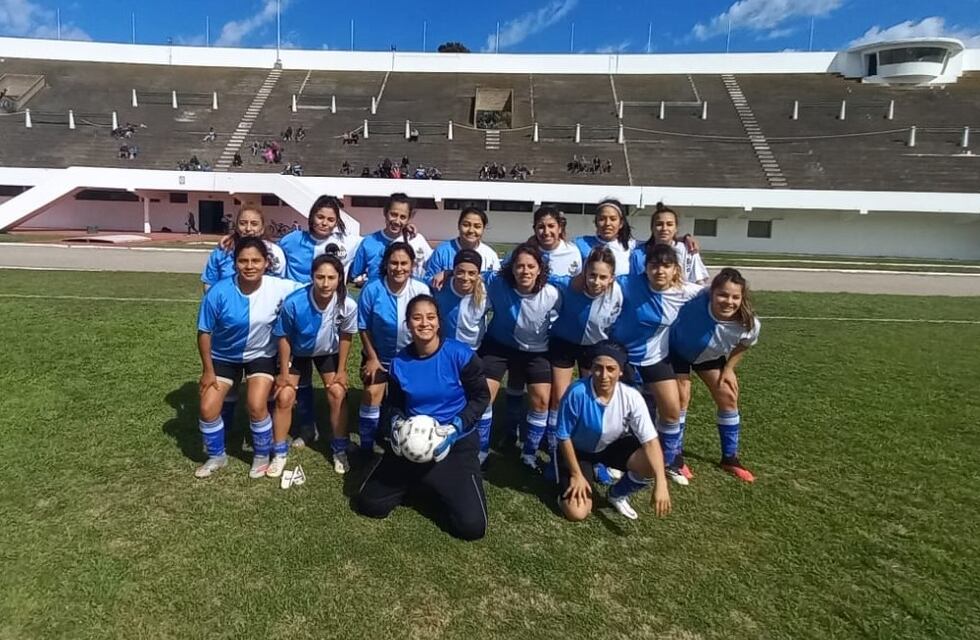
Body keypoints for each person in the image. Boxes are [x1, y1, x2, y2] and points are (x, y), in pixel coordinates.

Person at [354, 294, 490, 541]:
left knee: (472, 527)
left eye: (430, 317)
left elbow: (480, 398)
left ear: (438, 322)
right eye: (417, 318)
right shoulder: (399, 363)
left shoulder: (461, 355)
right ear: (408, 324)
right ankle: (420, 478)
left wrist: (456, 427)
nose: (424, 323)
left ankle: (434, 481)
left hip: (454, 443)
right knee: (369, 504)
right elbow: (393, 405)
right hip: (411, 442)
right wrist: (395, 423)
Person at [194, 238, 302, 479]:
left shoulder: (280, 286)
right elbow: (204, 332)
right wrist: (208, 370)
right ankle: (216, 456)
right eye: (243, 260)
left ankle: (262, 455)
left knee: (256, 404)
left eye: (256, 260)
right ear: (235, 263)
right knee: (207, 407)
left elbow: (316, 287)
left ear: (266, 263)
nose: (250, 265)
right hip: (224, 357)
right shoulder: (219, 291)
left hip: (261, 355)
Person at [612, 244, 704, 486]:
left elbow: (718, 293)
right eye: (654, 265)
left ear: (675, 269)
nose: (659, 271)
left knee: (672, 410)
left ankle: (669, 460)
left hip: (656, 358)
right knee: (620, 412)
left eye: (666, 266)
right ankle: (616, 460)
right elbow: (600, 282)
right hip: (622, 356)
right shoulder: (628, 283)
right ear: (646, 268)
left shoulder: (686, 291)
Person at [556, 341, 671, 521]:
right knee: (577, 513)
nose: (604, 375)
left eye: (611, 369)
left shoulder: (631, 397)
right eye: (598, 368)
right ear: (591, 368)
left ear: (621, 371)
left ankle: (617, 493)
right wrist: (576, 474)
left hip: (610, 447)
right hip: (579, 453)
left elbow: (650, 441)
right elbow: (563, 436)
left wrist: (661, 482)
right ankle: (563, 483)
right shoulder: (576, 392)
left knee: (652, 464)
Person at [669, 268, 760, 483]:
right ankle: (675, 456)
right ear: (711, 293)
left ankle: (730, 458)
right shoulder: (697, 295)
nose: (728, 301)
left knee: (728, 395)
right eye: (723, 295)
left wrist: (729, 369)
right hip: (675, 352)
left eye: (735, 297)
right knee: (682, 396)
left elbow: (745, 343)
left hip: (709, 356)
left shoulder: (749, 323)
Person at [271, 254, 358, 476]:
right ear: (312, 277)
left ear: (340, 278)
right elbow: (284, 337)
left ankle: (339, 448)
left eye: (331, 277)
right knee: (284, 396)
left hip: (327, 353)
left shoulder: (347, 304)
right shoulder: (294, 302)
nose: (325, 283)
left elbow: (346, 335)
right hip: (297, 353)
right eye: (320, 277)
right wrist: (283, 373)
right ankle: (279, 453)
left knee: (338, 392)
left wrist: (341, 371)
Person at [477, 244, 560, 471]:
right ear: (511, 268)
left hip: (536, 352)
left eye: (530, 266)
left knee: (542, 400)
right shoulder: (497, 284)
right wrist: (447, 272)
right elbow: (473, 271)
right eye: (519, 266)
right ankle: (481, 449)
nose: (525, 271)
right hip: (499, 347)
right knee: (484, 394)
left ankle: (529, 452)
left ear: (539, 269)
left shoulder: (552, 294)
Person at [547, 247, 624, 462]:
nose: (596, 281)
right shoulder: (568, 284)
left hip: (595, 349)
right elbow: (544, 277)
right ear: (584, 273)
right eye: (592, 275)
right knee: (560, 397)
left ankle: (591, 444)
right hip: (564, 343)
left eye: (602, 277)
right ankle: (555, 446)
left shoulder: (618, 291)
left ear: (611, 278)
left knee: (594, 397)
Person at [357, 242, 431, 457]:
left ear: (412, 265)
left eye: (404, 263)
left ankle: (406, 438)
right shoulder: (372, 289)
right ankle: (367, 446)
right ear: (386, 264)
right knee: (372, 394)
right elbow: (363, 326)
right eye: (394, 263)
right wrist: (372, 358)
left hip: (411, 358)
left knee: (415, 401)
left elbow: (427, 326)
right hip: (378, 356)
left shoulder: (421, 290)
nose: (399, 268)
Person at [432, 249, 494, 463]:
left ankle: (482, 449)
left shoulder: (487, 291)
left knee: (481, 399)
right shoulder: (438, 287)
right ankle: (437, 436)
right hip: (444, 353)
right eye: (460, 271)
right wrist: (445, 273)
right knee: (445, 395)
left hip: (473, 355)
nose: (465, 277)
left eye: (471, 273)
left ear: (479, 274)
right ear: (454, 270)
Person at [348, 193, 432, 284]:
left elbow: (432, 269)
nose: (397, 221)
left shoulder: (416, 240)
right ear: (385, 212)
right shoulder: (368, 242)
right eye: (394, 215)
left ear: (409, 218)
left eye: (403, 217)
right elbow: (354, 276)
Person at [201, 206, 286, 292]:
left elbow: (278, 286)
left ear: (262, 229)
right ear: (237, 227)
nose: (248, 228)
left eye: (254, 224)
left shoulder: (274, 253)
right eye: (243, 223)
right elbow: (209, 283)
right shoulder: (223, 251)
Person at [278, 195, 362, 282]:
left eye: (330, 220)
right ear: (312, 216)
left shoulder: (348, 242)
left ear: (336, 222)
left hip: (333, 295)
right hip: (295, 294)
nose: (324, 223)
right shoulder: (292, 240)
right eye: (320, 217)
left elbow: (372, 245)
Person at [630, 202, 709, 284]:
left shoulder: (688, 250)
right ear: (652, 228)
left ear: (676, 228)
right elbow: (634, 283)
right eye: (659, 224)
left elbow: (699, 282)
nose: (664, 228)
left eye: (669, 224)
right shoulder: (638, 253)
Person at [423, 207, 501, 279]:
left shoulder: (490, 256)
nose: (471, 230)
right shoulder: (442, 251)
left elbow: (496, 283)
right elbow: (428, 279)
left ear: (483, 229)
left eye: (477, 226)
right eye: (466, 225)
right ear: (458, 226)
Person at [573, 199, 635, 276]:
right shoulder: (580, 244)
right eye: (602, 219)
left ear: (621, 223)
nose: (607, 223)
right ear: (596, 222)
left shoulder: (633, 247)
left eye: (613, 219)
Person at [527, 206, 583, 277]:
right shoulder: (527, 253)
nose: (546, 232)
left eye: (551, 226)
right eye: (541, 227)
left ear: (560, 228)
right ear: (535, 230)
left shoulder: (572, 252)